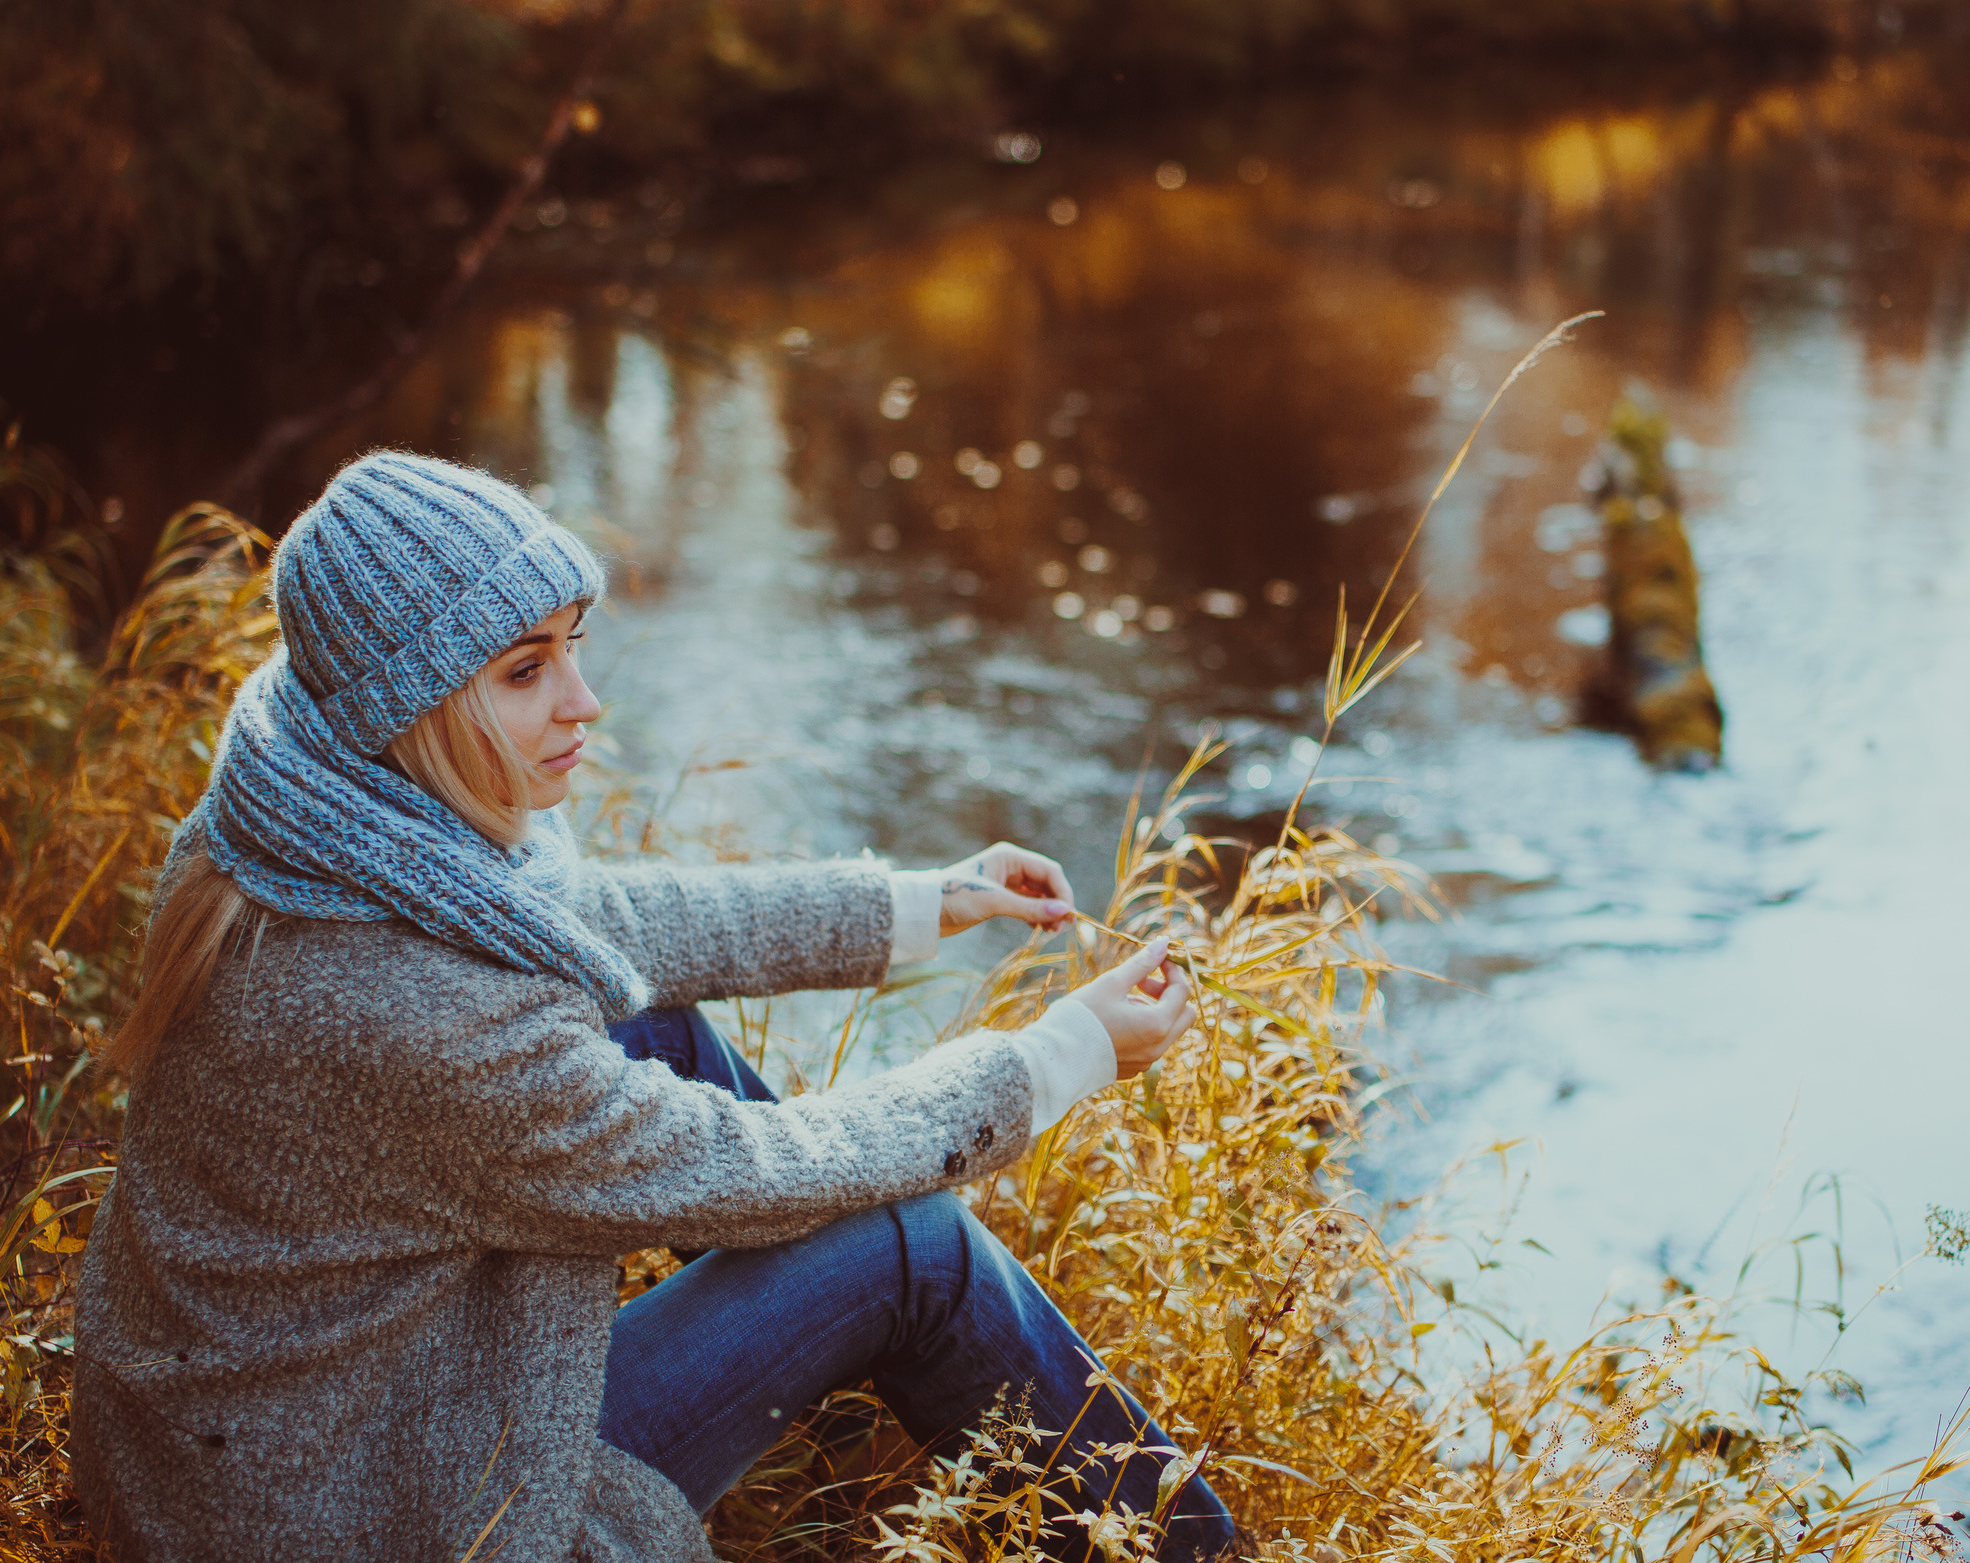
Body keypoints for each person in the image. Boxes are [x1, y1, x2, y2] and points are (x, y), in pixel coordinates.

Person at [70, 453, 1232, 1563]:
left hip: (261, 1441)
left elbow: (604, 926)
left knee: (658, 1027)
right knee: (906, 1244)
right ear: (403, 704)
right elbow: (760, 1164)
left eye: (573, 648)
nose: (583, 702)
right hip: (368, 1513)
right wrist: (1062, 1053)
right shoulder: (418, 1018)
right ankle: (1189, 1548)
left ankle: (826, 1399)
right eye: (525, 672)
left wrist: (926, 902)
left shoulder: (292, 817)